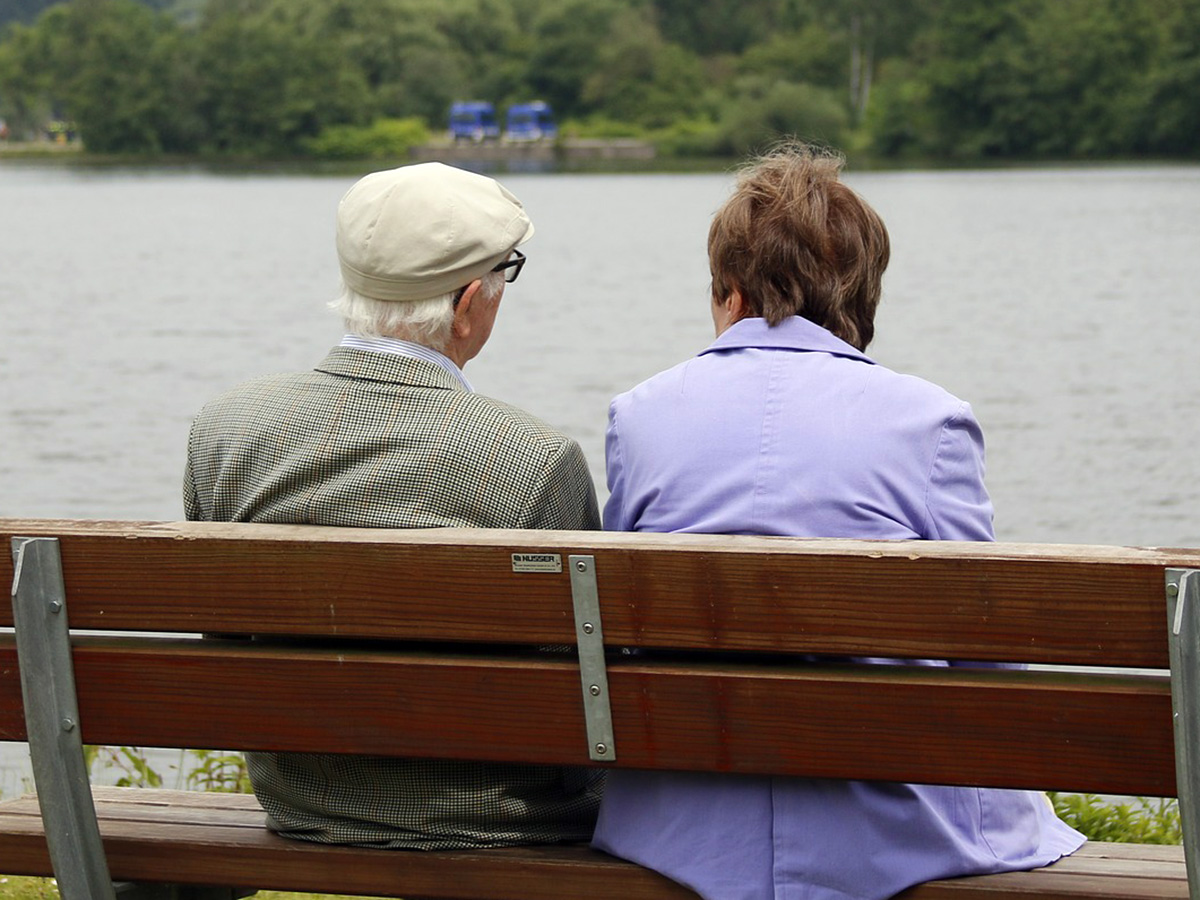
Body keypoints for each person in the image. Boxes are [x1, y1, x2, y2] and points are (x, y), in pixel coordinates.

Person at [590, 144, 1085, 900]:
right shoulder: (932, 423)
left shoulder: (640, 416)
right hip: (887, 830)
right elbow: (987, 668)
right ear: (860, 295)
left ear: (728, 291)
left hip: (681, 821)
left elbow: (625, 634)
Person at [184, 161, 602, 849]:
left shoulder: (224, 431)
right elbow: (582, 688)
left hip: (301, 800)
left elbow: (221, 644)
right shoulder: (532, 460)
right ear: (469, 305)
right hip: (495, 816)